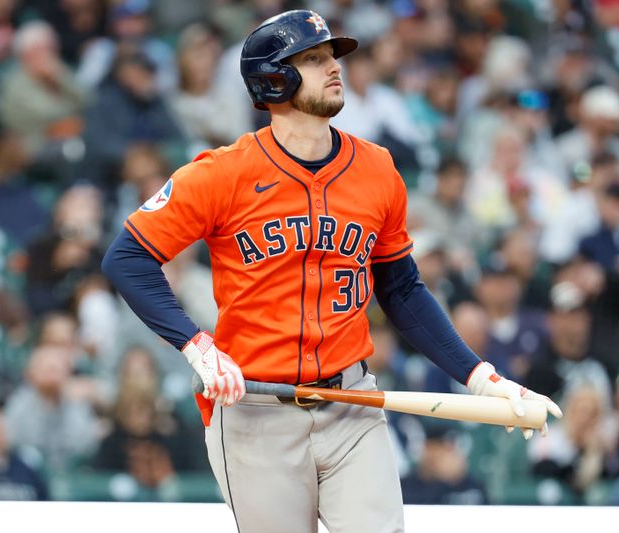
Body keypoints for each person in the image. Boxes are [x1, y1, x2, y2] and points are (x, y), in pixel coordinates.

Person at [101, 10, 561, 533]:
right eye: (314, 59)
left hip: (352, 402)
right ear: (273, 79)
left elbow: (401, 288)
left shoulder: (377, 169)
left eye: (332, 56)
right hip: (256, 405)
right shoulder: (222, 173)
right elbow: (127, 257)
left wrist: (481, 378)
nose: (334, 68)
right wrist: (195, 344)